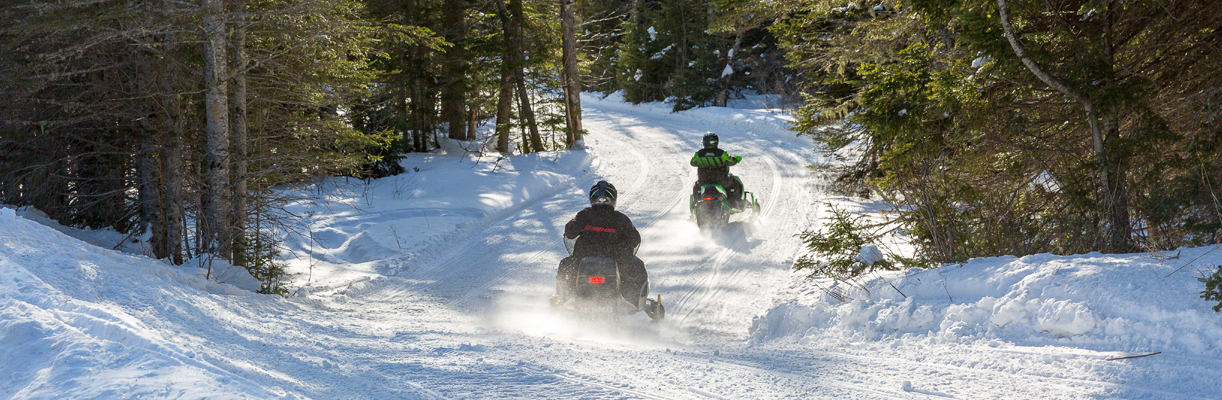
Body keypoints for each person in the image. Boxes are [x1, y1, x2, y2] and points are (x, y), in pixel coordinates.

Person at [555, 181, 649, 307]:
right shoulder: (621, 218)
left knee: (566, 264)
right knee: (636, 266)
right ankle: (635, 303)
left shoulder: (584, 215)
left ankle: (565, 298)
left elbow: (570, 232)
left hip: (584, 258)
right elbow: (635, 239)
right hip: (615, 259)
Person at [690, 132, 745, 208]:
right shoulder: (721, 153)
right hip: (721, 181)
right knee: (735, 183)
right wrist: (735, 159)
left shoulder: (698, 154)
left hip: (704, 181)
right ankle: (734, 202)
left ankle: (695, 202)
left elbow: (692, 163)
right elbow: (731, 161)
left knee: (696, 186)